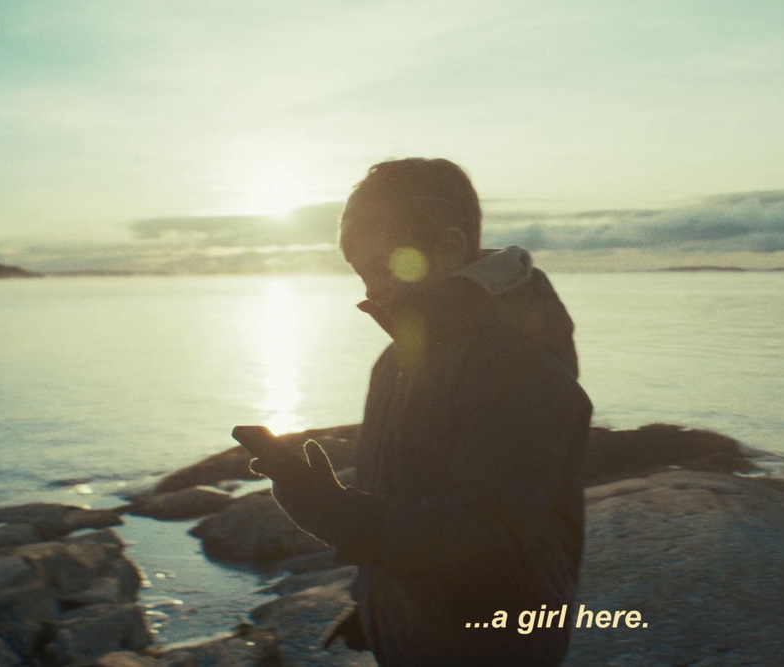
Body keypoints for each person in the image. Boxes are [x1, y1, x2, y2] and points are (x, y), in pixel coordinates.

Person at [243, 158, 592, 665]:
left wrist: (330, 509)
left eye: (386, 265)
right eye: (363, 272)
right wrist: (377, 603)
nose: (371, 288)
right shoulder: (396, 364)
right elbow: (403, 497)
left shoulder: (518, 367)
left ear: (449, 249)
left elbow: (483, 533)